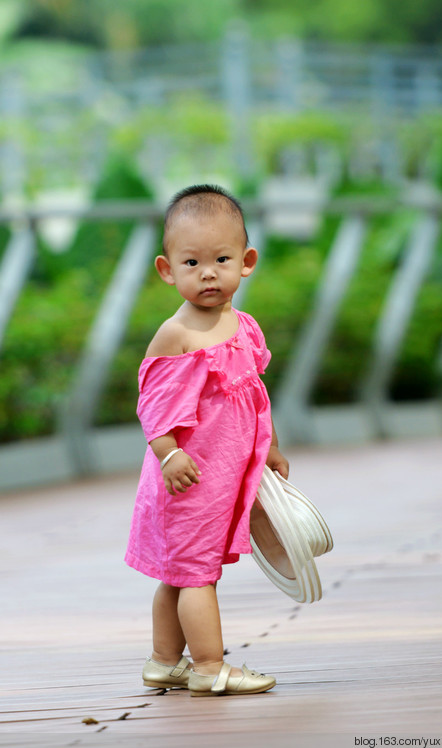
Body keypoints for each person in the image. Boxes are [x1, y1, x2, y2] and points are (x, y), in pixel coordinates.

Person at [125, 184, 289, 697]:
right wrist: (169, 453)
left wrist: (272, 448)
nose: (208, 273)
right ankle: (210, 666)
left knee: (180, 573)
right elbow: (154, 406)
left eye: (221, 258)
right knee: (196, 574)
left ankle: (163, 661)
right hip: (188, 478)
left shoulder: (242, 326)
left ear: (246, 261)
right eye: (192, 262)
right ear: (167, 270)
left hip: (223, 477)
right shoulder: (178, 335)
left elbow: (256, 395)